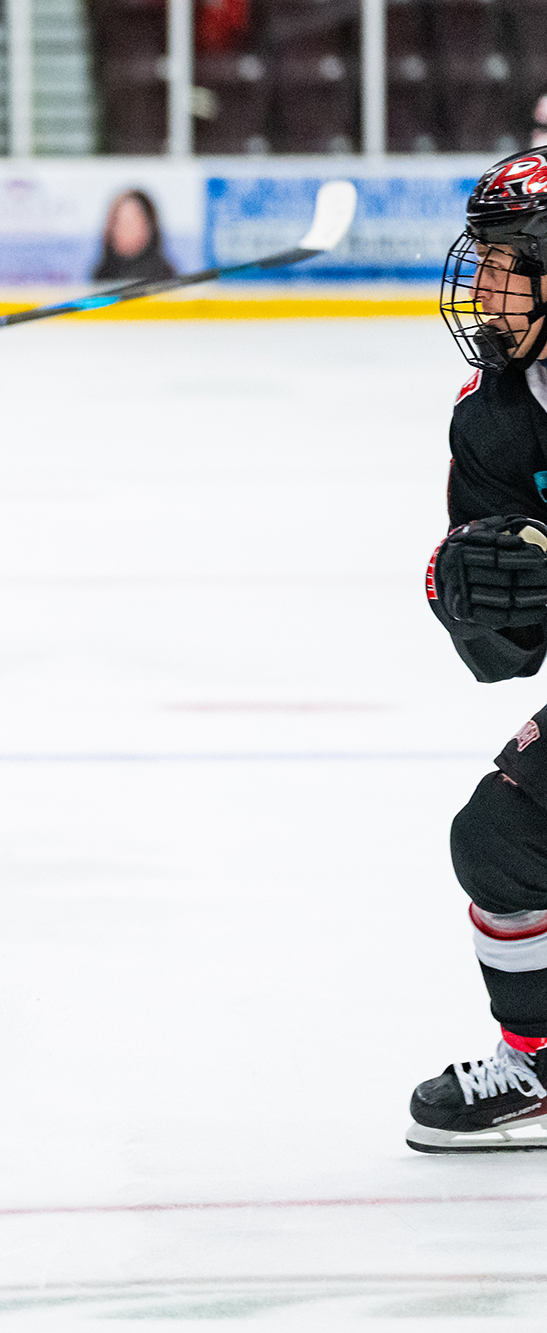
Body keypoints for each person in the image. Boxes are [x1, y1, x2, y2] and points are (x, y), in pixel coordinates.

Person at [414, 145, 547, 1152]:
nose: (484, 289)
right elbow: (504, 658)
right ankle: (538, 1065)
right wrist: (465, 595)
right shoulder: (492, 419)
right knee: (497, 840)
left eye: (508, 263)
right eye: (483, 261)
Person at [92, 189, 176, 284]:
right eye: (121, 223)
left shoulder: (165, 275)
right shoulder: (101, 275)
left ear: (149, 227)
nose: (127, 229)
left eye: (133, 222)